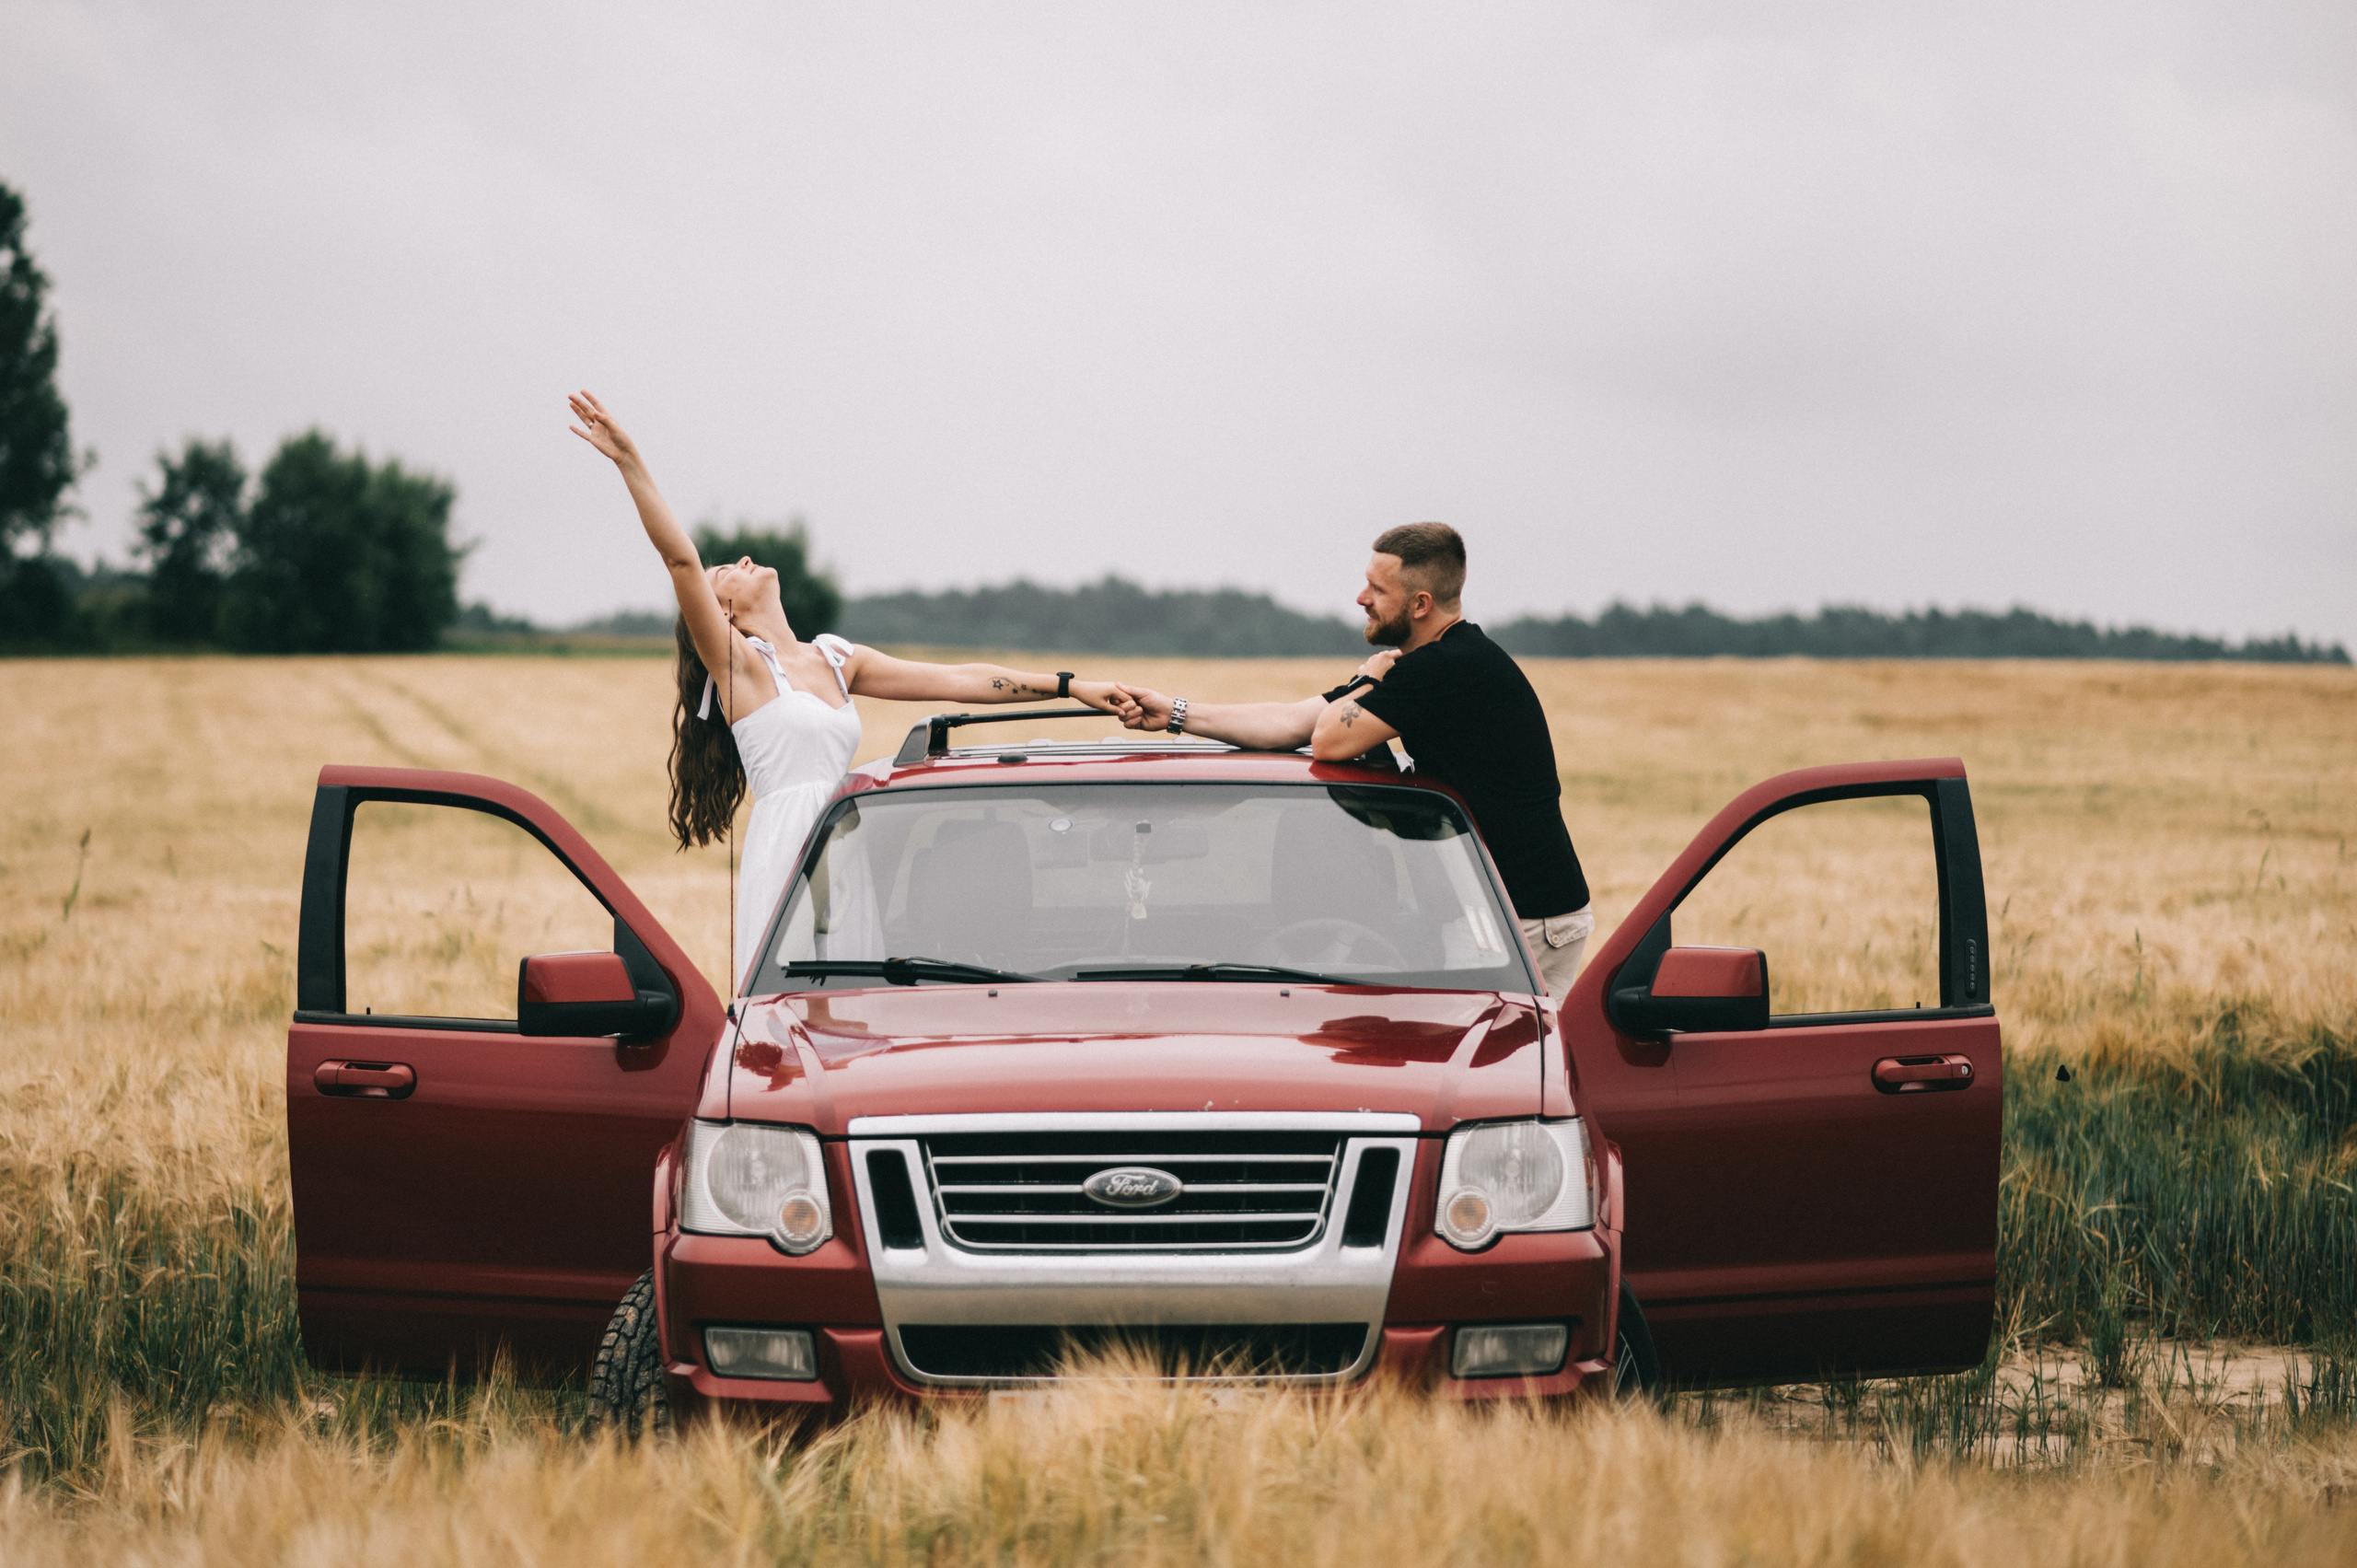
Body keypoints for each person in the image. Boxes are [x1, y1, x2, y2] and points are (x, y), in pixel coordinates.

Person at [568, 390, 1122, 987]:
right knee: (794, 1016)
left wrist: (1070, 685)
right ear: (722, 614)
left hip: (844, 845)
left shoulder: (836, 657)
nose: (746, 559)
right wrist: (630, 461)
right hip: (788, 853)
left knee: (854, 1011)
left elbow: (958, 680)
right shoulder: (742, 669)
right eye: (727, 569)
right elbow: (680, 561)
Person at [1109, 522, 1594, 995]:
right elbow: (1288, 723)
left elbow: (1327, 742)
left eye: (1377, 589)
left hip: (1526, 919)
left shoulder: (1446, 668)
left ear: (1420, 604)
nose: (1361, 598)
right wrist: (1173, 712)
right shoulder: (1420, 667)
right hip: (1496, 907)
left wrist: (1369, 680)